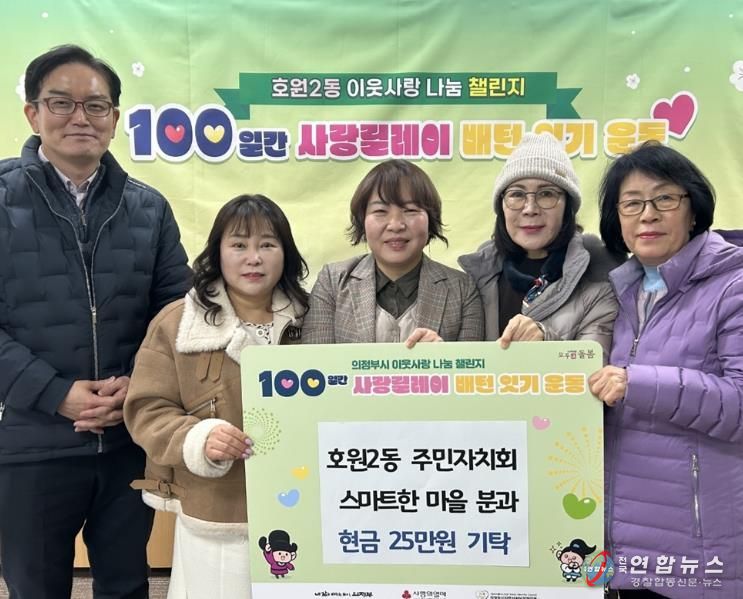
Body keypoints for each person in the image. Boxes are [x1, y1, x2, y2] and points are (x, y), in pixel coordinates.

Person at [0, 45, 191, 598]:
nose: (80, 117)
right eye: (61, 102)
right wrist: (55, 393)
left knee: (127, 585)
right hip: (31, 444)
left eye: (96, 105)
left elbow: (176, 314)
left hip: (130, 439)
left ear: (115, 118)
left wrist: (139, 384)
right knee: (35, 588)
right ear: (33, 113)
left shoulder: (149, 207)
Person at [124, 194, 309, 598]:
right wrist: (198, 437)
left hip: (302, 502)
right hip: (216, 508)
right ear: (217, 253)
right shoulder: (177, 322)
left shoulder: (313, 319)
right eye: (239, 244)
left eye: (267, 244)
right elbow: (146, 409)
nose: (253, 258)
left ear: (286, 253)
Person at [589, 141, 743, 598]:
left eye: (664, 199)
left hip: (699, 550)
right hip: (624, 552)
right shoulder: (620, 293)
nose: (648, 215)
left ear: (693, 210)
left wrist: (636, 382)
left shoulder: (733, 286)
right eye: (632, 203)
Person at [458, 132, 618, 355]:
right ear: (501, 206)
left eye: (546, 194)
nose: (530, 208)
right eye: (517, 194)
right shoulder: (478, 277)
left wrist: (545, 340)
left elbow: (596, 363)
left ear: (568, 206)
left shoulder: (599, 278)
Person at [302, 158, 483, 345]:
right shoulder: (332, 282)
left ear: (430, 220)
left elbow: (471, 363)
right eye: (380, 211)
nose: (396, 225)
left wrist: (444, 356)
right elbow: (316, 360)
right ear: (362, 220)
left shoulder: (462, 289)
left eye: (410, 210)